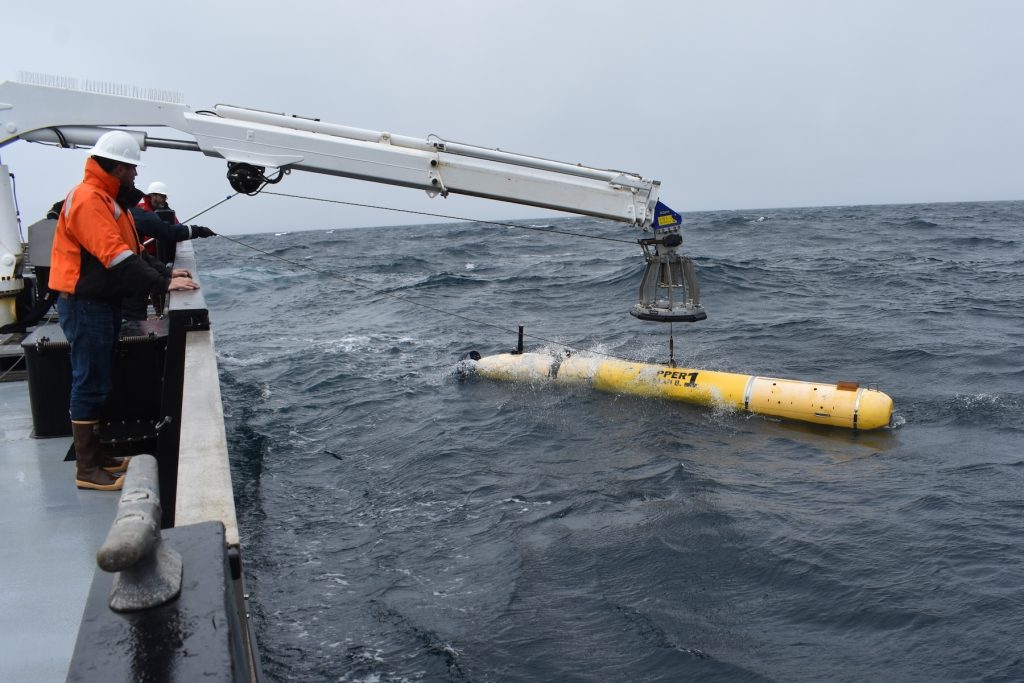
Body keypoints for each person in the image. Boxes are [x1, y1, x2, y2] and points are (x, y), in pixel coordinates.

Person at [49, 130, 199, 490]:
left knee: (98, 380)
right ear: (117, 167)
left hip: (100, 302)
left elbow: (131, 250)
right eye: (132, 169)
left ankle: (97, 455)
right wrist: (162, 284)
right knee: (89, 381)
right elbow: (115, 258)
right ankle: (87, 469)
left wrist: (163, 271)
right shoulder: (89, 199)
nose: (135, 176)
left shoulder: (107, 199)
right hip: (85, 304)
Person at [122, 181, 215, 320]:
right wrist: (198, 230)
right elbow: (168, 231)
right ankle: (154, 313)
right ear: (152, 196)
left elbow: (173, 229)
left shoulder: (166, 213)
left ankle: (156, 313)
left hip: (148, 261)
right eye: (162, 196)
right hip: (131, 275)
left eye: (165, 197)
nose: (164, 199)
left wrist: (167, 272)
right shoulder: (137, 213)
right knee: (133, 315)